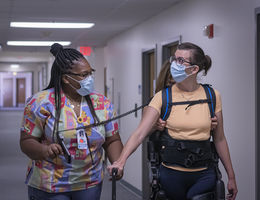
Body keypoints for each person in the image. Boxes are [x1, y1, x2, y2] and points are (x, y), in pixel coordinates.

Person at [108, 42, 237, 200]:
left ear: (194, 69)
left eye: (181, 61)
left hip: (204, 173)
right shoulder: (163, 97)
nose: (174, 64)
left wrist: (231, 176)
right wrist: (120, 161)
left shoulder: (212, 96)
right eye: (174, 59)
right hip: (171, 175)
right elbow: (140, 133)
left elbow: (220, 139)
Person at [20, 43, 123, 200]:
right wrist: (44, 150)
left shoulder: (102, 103)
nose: (89, 78)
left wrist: (118, 162)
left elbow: (112, 139)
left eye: (90, 73)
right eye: (83, 75)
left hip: (90, 183)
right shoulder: (41, 102)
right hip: (51, 184)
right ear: (66, 79)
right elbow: (27, 141)